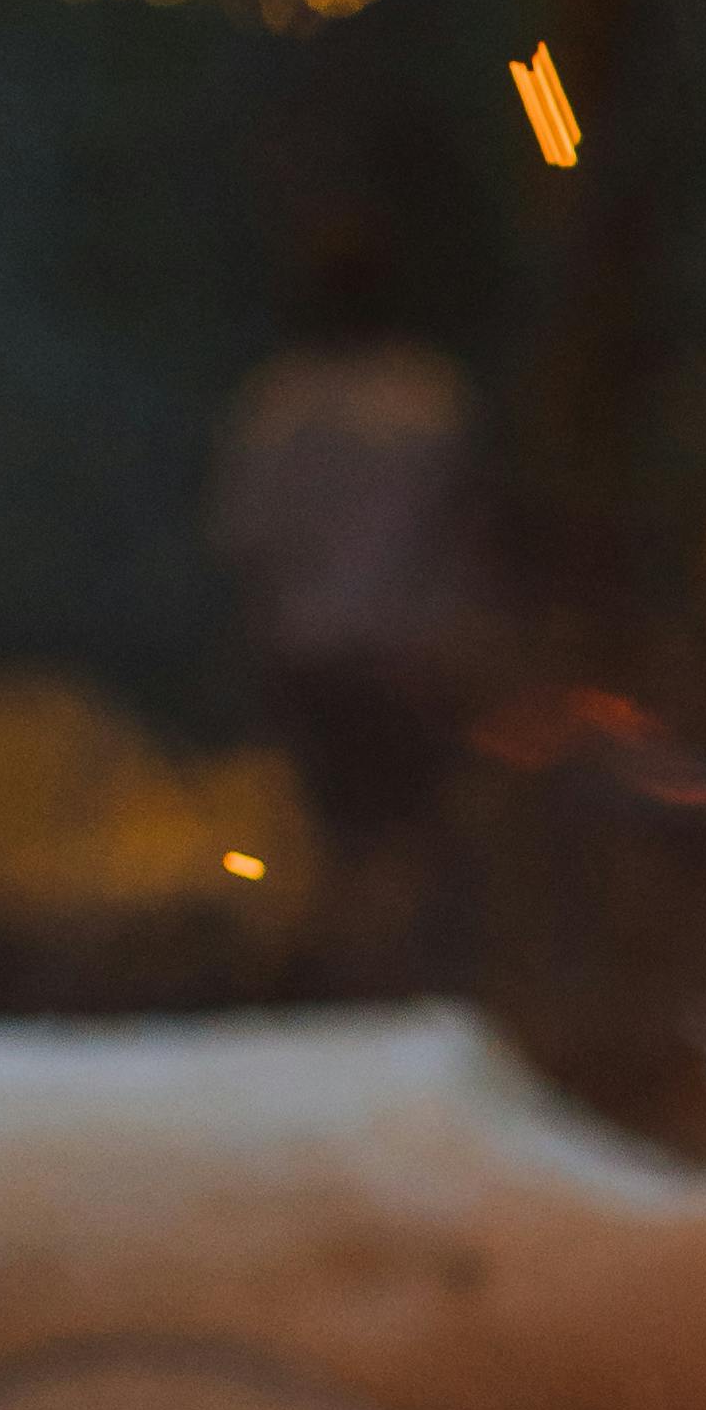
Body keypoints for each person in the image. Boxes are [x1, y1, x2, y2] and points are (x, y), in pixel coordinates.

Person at [210, 202, 495, 981]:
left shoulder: (275, 405)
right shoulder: (430, 396)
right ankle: (391, 984)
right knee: (404, 842)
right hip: (408, 654)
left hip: (315, 655)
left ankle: (344, 985)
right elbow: (464, 526)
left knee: (330, 842)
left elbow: (250, 547)